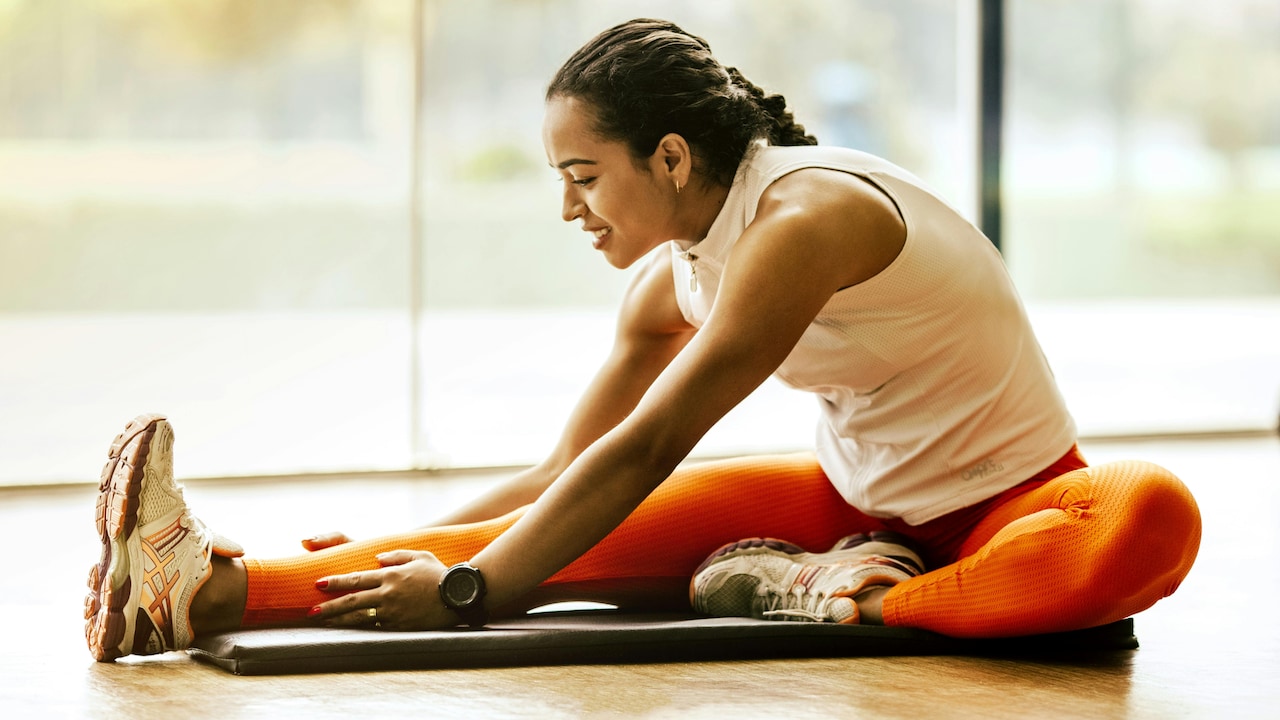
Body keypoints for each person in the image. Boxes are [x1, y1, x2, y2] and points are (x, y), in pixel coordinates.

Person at [84, 18, 1201, 662]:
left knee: (1151, 514)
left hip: (1017, 507)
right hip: (854, 506)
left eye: (583, 175)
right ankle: (190, 590)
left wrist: (473, 591)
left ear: (670, 156)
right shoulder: (671, 280)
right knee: (538, 538)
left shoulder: (804, 222)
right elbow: (565, 475)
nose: (569, 208)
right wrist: (409, 547)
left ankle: (853, 598)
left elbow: (653, 444)